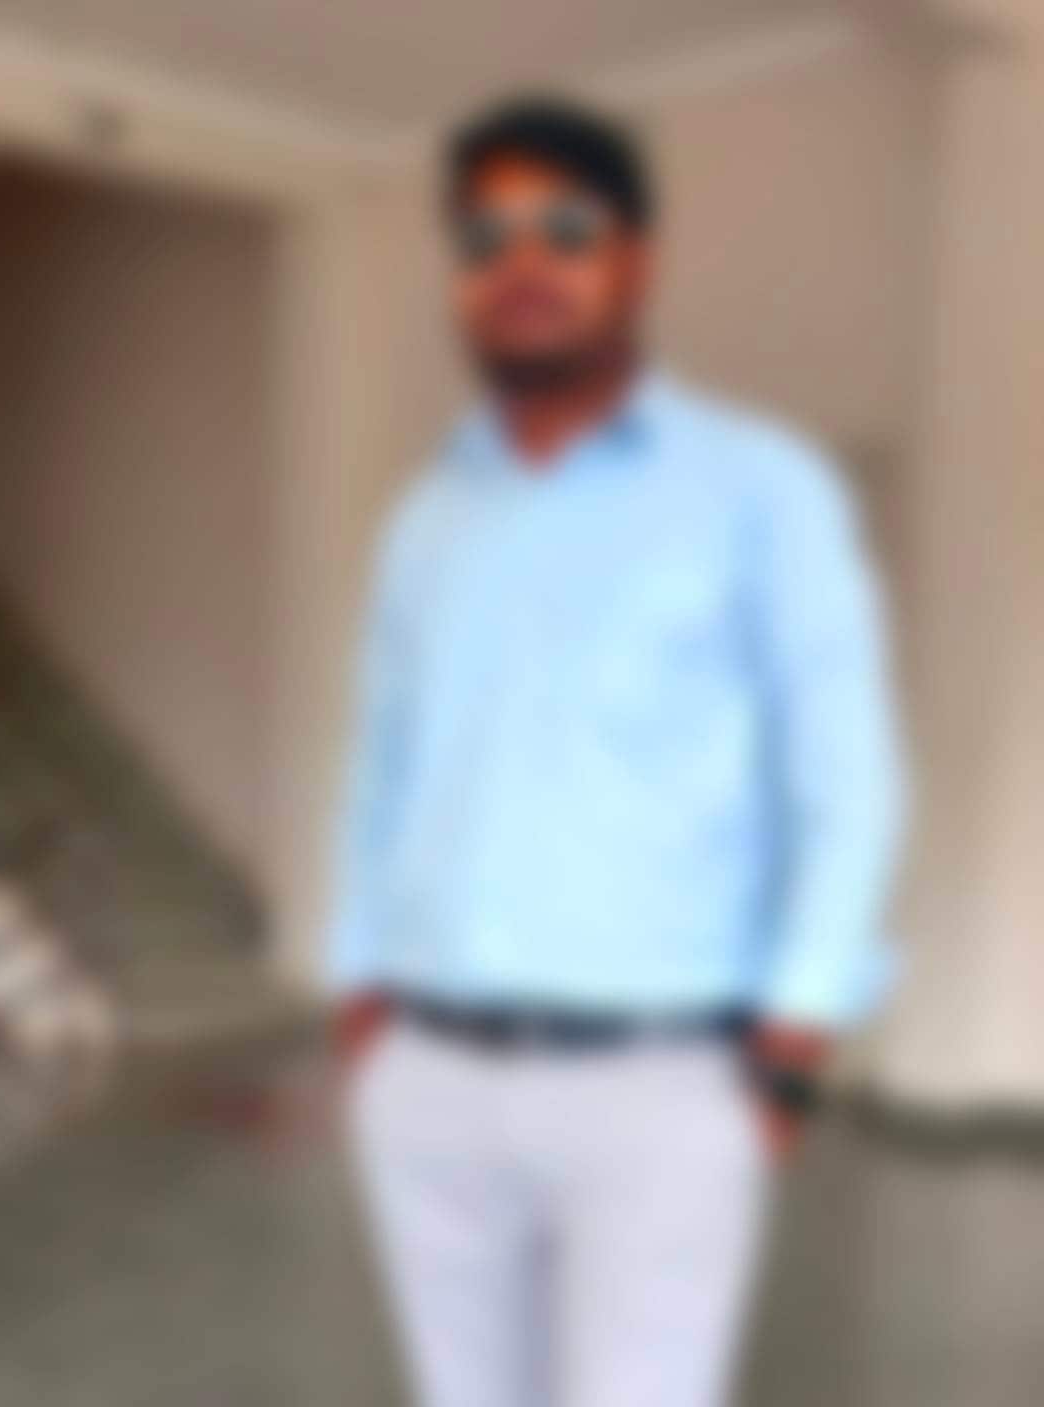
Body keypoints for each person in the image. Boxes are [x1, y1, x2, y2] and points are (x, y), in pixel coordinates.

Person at [329, 96, 905, 1407]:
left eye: (566, 227)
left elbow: (846, 779)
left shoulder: (762, 490)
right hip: (430, 1074)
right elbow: (381, 769)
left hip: (659, 1081)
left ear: (637, 257)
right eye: (484, 238)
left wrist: (791, 1045)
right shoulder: (426, 520)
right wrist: (360, 988)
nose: (522, 263)